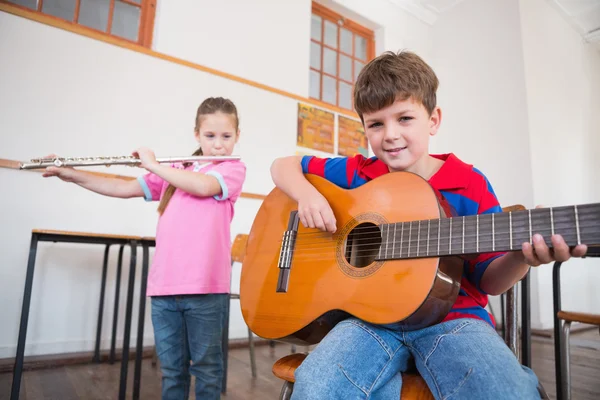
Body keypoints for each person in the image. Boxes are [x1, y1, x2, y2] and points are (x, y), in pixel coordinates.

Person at [270, 51, 588, 399]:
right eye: (376, 124)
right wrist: (306, 196)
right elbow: (283, 166)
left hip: (454, 320)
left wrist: (521, 258)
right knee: (318, 385)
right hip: (366, 322)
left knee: (506, 391)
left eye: (405, 118)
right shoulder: (361, 172)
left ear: (433, 120)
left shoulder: (468, 183)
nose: (390, 135)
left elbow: (490, 281)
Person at [43, 97, 246, 400]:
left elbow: (202, 187)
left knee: (207, 370)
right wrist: (71, 174)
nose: (218, 145)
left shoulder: (232, 169)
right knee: (172, 372)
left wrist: (153, 165)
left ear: (237, 137)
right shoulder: (174, 170)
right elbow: (122, 188)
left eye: (226, 137)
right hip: (164, 292)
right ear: (196, 135)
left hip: (206, 291)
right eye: (210, 136)